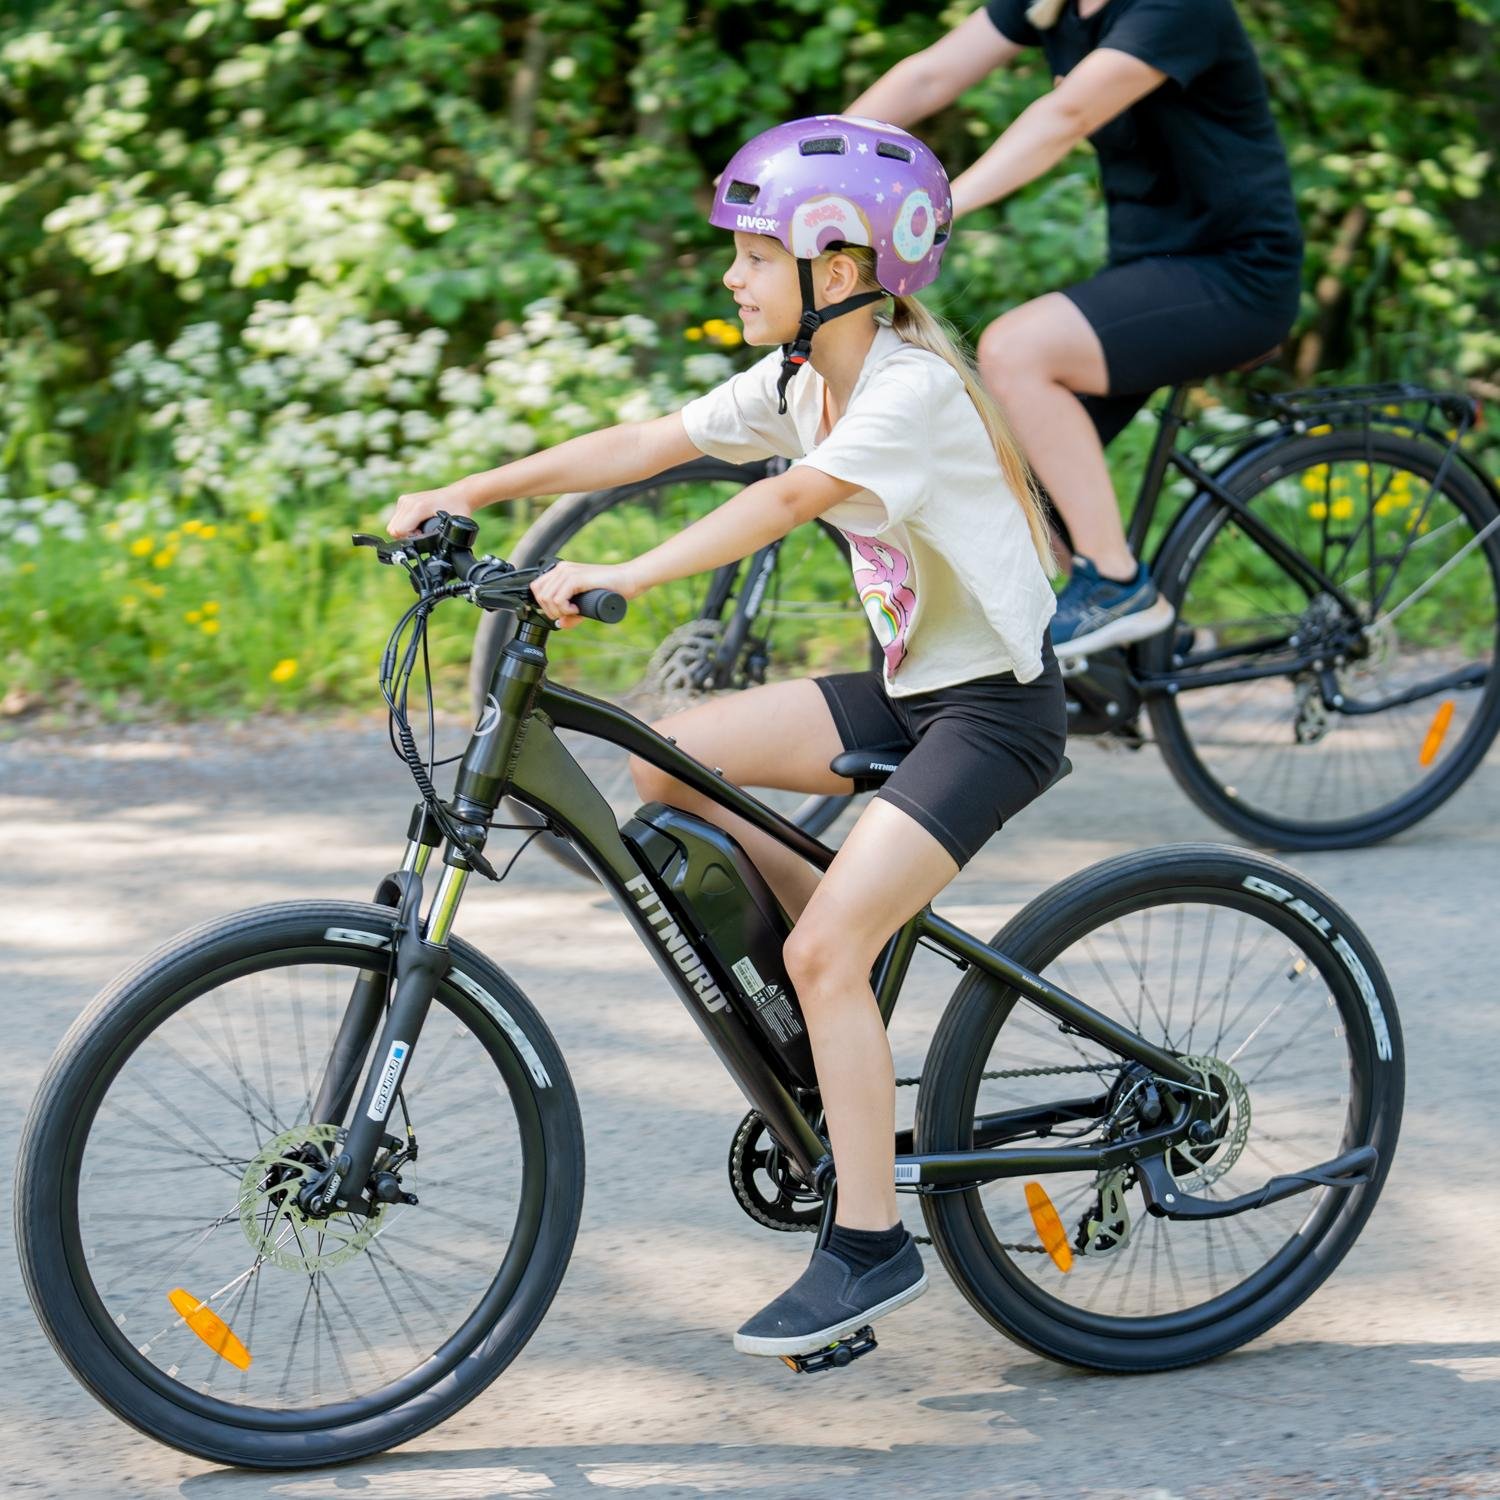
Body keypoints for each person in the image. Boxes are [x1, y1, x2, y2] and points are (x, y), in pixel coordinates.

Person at [387, 116, 1066, 1359]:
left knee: (820, 955)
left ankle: (870, 1246)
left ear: (845, 271)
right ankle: (839, 967)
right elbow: (649, 446)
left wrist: (629, 574)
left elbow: (794, 498)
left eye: (754, 257)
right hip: (909, 687)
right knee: (667, 756)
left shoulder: (905, 390)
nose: (730, 276)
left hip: (995, 715)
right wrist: (470, 491)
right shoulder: (805, 380)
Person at [847, 0, 1304, 655]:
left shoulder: (1177, 8)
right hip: (1149, 272)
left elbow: (1067, 114)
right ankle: (1125, 649)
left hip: (1236, 274)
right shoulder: (1047, 6)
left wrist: (940, 207)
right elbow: (929, 77)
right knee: (989, 449)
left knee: (1017, 351)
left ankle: (1114, 583)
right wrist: (804, 158)